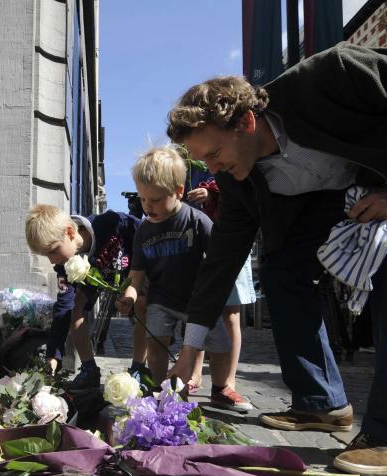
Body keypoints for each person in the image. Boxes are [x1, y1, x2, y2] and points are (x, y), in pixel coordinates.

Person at [165, 43, 387, 476]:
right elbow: (221, 260)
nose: (212, 169)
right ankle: (321, 402)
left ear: (246, 122)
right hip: (357, 184)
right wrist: (190, 347)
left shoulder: (333, 73)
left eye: (214, 154)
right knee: (281, 269)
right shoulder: (239, 179)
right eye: (203, 161)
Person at [116, 146, 251, 411]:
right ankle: (161, 390)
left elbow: (218, 261)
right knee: (156, 344)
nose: (147, 207)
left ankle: (221, 388)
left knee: (221, 347)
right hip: (161, 299)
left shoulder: (196, 220)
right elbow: (137, 275)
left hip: (197, 302)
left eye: (155, 200)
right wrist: (129, 296)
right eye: (143, 199)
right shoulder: (144, 231)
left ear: (178, 191)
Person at [25, 205, 147, 388]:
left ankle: (138, 369)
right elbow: (62, 308)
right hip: (95, 276)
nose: (52, 260)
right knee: (75, 309)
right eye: (46, 255)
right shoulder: (64, 266)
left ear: (70, 232)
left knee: (142, 304)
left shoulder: (110, 223)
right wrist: (52, 356)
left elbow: (144, 232)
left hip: (131, 270)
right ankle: (89, 369)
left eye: (53, 250)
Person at [184, 161, 256, 405]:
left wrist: (212, 192)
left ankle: (228, 381)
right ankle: (195, 373)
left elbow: (245, 183)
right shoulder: (185, 162)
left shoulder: (224, 152)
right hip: (198, 244)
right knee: (200, 311)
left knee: (230, 315)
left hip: (231, 240)